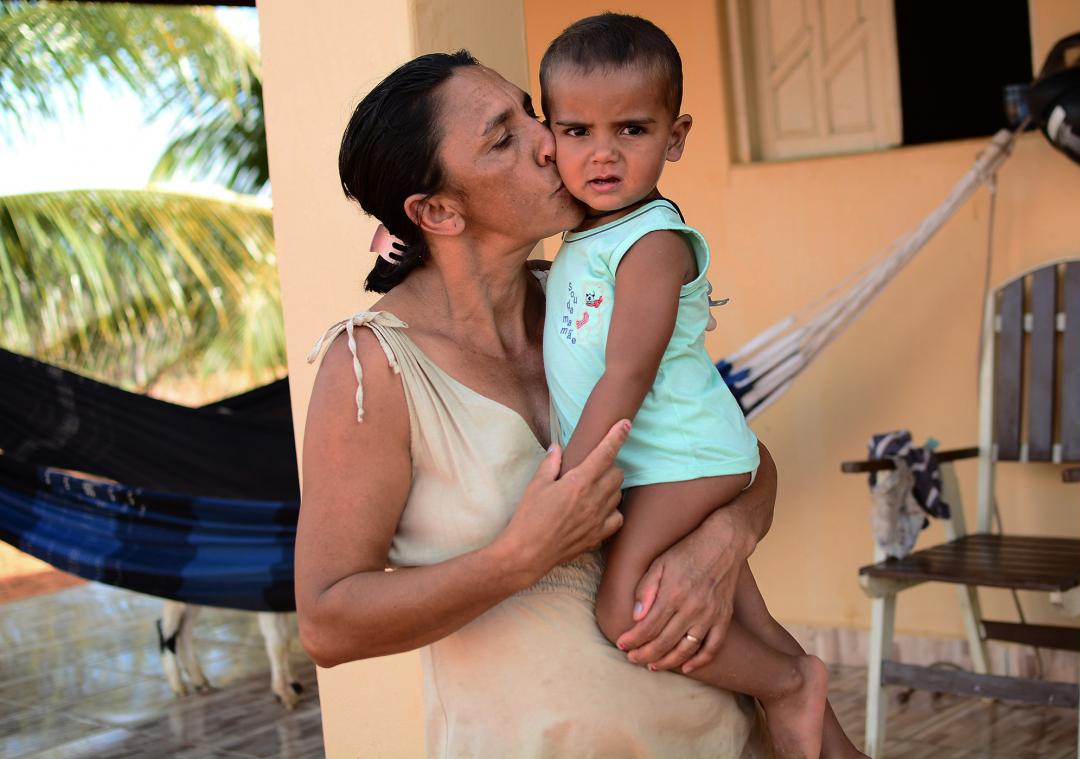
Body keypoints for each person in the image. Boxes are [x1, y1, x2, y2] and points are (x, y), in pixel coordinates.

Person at [298, 50, 778, 757]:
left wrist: (725, 538)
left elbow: (735, 453)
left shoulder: (590, 296)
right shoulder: (373, 367)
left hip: (728, 739)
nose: (550, 140)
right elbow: (328, 624)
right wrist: (517, 558)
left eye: (531, 111)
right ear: (436, 209)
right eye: (505, 137)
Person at [537, 14, 864, 759]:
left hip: (684, 461)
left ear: (675, 136)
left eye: (632, 129)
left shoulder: (651, 242)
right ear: (547, 136)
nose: (603, 153)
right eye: (577, 131)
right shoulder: (586, 238)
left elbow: (628, 372)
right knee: (746, 622)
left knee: (625, 615)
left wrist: (570, 488)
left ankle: (784, 685)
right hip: (673, 457)